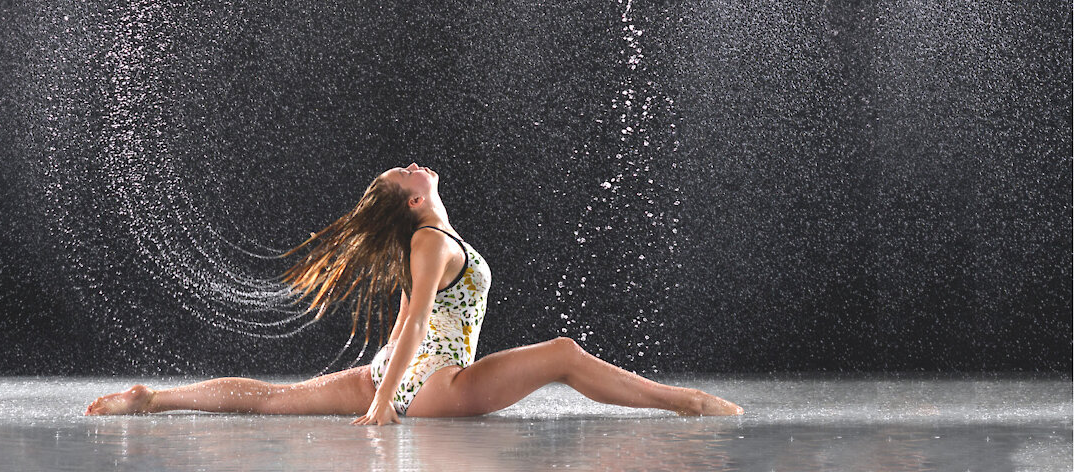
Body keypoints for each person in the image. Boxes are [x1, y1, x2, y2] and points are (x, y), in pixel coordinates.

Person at [85, 163, 744, 424]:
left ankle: (154, 398)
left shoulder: (426, 241)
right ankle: (687, 403)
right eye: (402, 172)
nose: (411, 164)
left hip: (398, 372)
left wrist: (379, 388)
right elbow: (421, 319)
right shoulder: (429, 239)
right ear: (411, 196)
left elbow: (405, 323)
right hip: (430, 382)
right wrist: (382, 410)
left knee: (270, 402)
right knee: (565, 354)